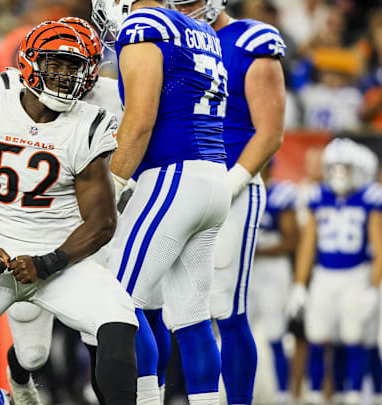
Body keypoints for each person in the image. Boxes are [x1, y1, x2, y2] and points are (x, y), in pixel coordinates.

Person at [0, 21, 139, 405]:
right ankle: (19, 377)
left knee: (119, 320)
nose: (67, 76)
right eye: (59, 64)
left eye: (77, 67)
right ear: (30, 64)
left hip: (62, 256)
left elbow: (102, 221)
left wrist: (48, 262)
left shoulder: (88, 124)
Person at [92, 0, 230, 403]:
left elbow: (139, 122)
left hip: (174, 174)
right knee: (191, 315)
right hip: (212, 175)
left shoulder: (144, 24)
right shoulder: (199, 28)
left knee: (118, 303)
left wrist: (110, 186)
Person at [165, 1, 287, 403]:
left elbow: (270, 133)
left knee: (225, 309)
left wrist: (231, 181)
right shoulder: (171, 39)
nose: (182, 7)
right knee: (174, 308)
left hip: (234, 185)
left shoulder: (251, 41)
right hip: (180, 186)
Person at [287, 139, 382, 405]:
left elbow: (379, 247)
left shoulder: (369, 197)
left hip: (356, 274)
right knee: (317, 335)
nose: (339, 174)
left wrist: (374, 288)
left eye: (345, 168)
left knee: (355, 337)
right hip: (325, 275)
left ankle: (353, 394)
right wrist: (299, 285)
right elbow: (308, 244)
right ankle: (317, 394)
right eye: (335, 168)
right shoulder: (318, 196)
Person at [248, 160, 298, 403]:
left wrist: (257, 251)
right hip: (247, 271)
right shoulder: (243, 191)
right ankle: (236, 387)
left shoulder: (281, 195)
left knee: (276, 332)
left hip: (272, 271)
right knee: (238, 329)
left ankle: (283, 394)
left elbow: (291, 240)